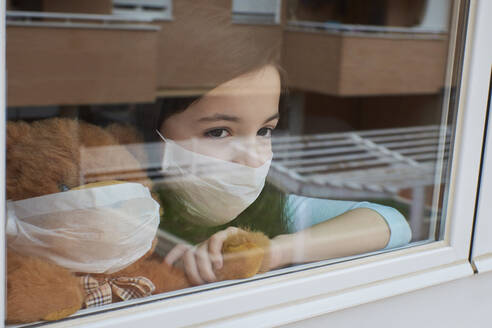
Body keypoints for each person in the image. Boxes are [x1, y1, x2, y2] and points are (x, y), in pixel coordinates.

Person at [132, 2, 411, 286]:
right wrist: (164, 252)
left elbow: (391, 222)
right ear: (154, 129)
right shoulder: (129, 211)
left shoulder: (268, 207)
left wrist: (272, 251)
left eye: (265, 130)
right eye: (218, 132)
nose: (253, 159)